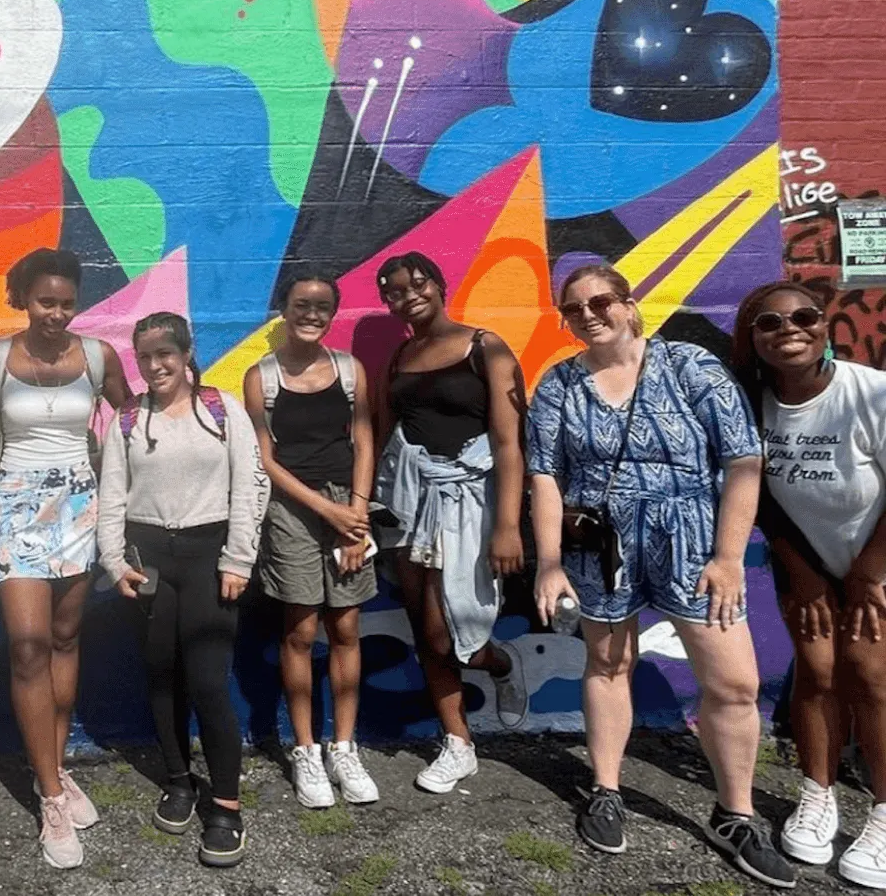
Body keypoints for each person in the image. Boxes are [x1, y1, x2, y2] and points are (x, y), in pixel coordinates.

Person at [528, 265, 795, 889]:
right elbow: (545, 474)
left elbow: (743, 460)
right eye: (573, 309)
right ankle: (606, 789)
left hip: (692, 545)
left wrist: (728, 558)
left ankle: (736, 813)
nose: (588, 315)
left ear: (628, 304)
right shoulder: (560, 384)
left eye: (600, 302)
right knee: (607, 664)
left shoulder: (688, 366)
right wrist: (549, 561)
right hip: (604, 547)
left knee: (733, 682)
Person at [0, 247, 130, 869]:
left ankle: (57, 770)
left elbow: (132, 420)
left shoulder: (98, 357)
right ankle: (49, 797)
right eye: (45, 302)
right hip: (14, 508)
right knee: (29, 646)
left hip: (79, 508)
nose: (57, 315)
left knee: (66, 641)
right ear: (21, 298)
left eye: (67, 303)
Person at [98, 313, 269, 867]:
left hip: (209, 556)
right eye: (145, 357)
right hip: (148, 559)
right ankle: (178, 781)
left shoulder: (223, 412)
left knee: (208, 681)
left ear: (187, 351)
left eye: (166, 354)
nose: (156, 366)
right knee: (161, 674)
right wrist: (114, 562)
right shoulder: (126, 420)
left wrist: (239, 558)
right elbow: (113, 497)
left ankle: (225, 805)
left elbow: (250, 485)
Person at [734, 282, 886, 887]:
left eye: (804, 317)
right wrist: (802, 571)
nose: (789, 329)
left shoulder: (870, 394)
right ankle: (817, 793)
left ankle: (882, 813)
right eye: (770, 322)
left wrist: (867, 573)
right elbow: (759, 491)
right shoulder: (752, 403)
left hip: (877, 558)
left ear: (824, 326)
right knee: (817, 670)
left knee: (870, 677)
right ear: (753, 338)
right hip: (809, 561)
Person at [371, 253, 529, 793]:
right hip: (411, 507)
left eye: (417, 283)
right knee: (423, 627)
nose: (407, 295)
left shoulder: (485, 347)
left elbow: (510, 443)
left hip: (470, 506)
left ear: (440, 284)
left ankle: (501, 664)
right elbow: (389, 433)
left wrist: (508, 525)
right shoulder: (400, 358)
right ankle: (458, 743)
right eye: (393, 291)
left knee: (446, 632)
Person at [243, 271, 379, 810]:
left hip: (349, 507)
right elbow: (264, 458)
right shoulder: (262, 377)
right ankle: (306, 750)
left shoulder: (350, 371)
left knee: (346, 626)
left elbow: (365, 441)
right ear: (284, 309)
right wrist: (327, 510)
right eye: (302, 303)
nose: (312, 313)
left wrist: (356, 515)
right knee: (299, 630)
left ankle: (344, 747)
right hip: (293, 512)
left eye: (324, 305)